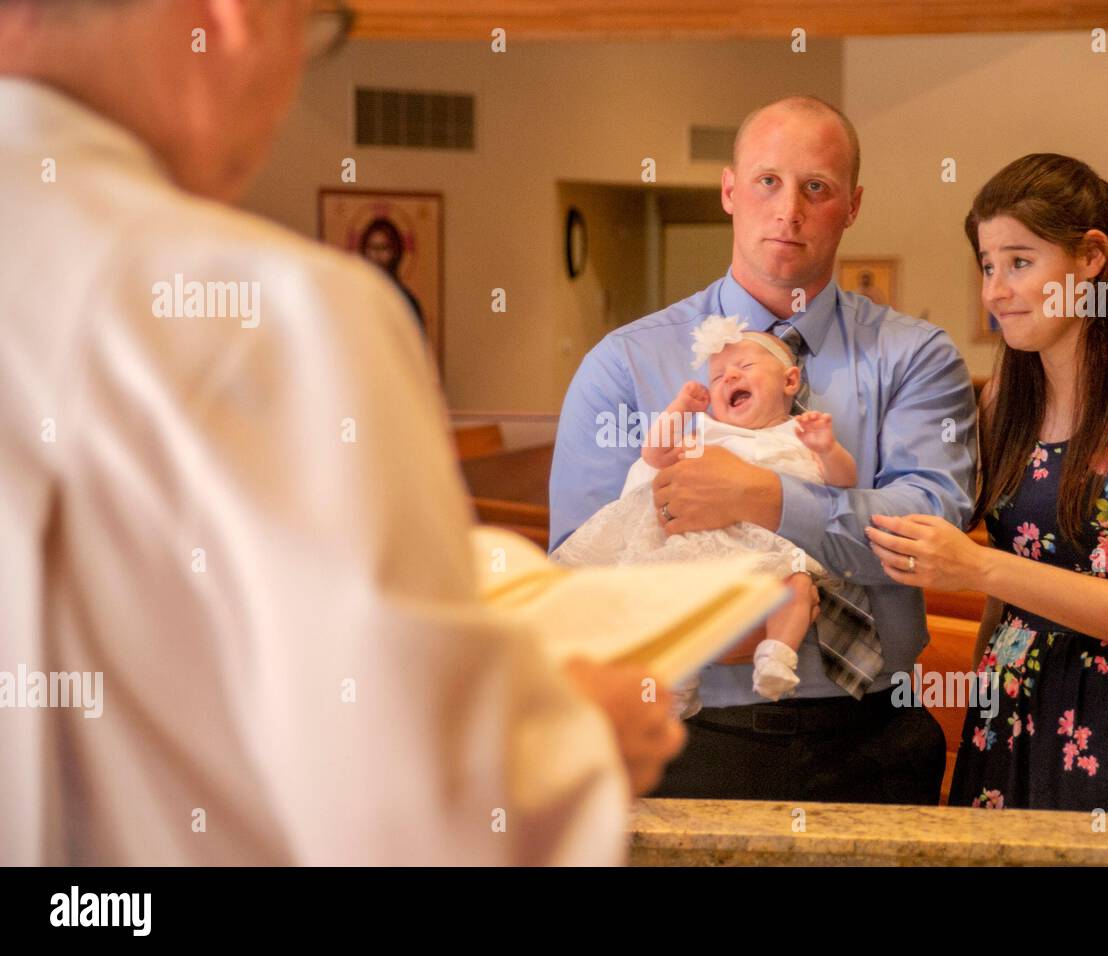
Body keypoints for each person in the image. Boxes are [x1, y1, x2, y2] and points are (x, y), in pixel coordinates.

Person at [0, 0, 683, 865]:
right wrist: (583, 739)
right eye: (317, 34)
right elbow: (419, 824)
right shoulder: (275, 313)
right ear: (238, 18)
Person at [550, 95, 978, 804]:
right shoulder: (625, 364)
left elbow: (927, 532)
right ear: (728, 191)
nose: (790, 211)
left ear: (853, 205)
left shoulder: (915, 357)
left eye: (818, 187)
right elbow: (590, 578)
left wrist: (763, 497)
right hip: (689, 733)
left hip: (875, 733)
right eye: (767, 182)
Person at [865, 154, 1108, 817]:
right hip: (1008, 712)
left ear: (1092, 258)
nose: (996, 290)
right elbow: (1005, 593)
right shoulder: (1006, 393)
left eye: (1020, 262)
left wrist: (979, 566)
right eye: (987, 266)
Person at [553, 315, 858, 708]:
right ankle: (674, 678)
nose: (729, 378)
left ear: (789, 381)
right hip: (701, 546)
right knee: (673, 598)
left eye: (745, 368)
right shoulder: (709, 433)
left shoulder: (799, 436)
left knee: (798, 586)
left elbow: (842, 483)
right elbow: (656, 454)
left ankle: (777, 655)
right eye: (717, 378)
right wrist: (681, 408)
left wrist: (828, 449)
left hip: (765, 551)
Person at [359, 216, 426, 336]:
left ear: (395, 253)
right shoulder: (354, 296)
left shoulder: (405, 301)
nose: (376, 255)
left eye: (384, 248)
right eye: (371, 248)